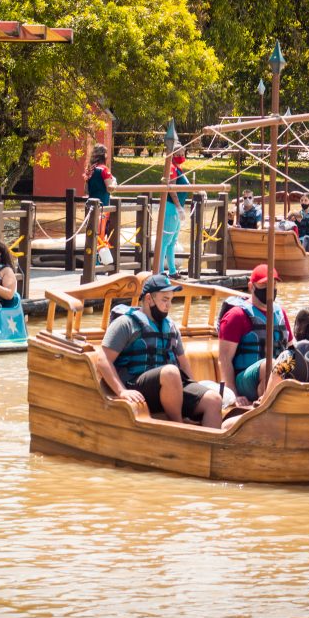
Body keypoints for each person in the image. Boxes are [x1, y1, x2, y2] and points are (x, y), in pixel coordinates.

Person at [98, 274, 224, 428]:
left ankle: (210, 448)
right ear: (149, 299)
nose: (169, 305)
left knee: (213, 400)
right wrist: (122, 391)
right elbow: (103, 360)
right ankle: (179, 427)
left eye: (171, 300)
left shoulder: (170, 326)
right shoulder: (125, 324)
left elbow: (183, 364)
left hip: (170, 387)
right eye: (165, 300)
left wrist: (196, 391)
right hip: (137, 385)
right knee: (170, 372)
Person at [218, 264, 293, 405]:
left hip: (276, 377)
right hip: (245, 380)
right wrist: (233, 394)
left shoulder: (280, 313)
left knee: (291, 361)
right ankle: (265, 406)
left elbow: (291, 347)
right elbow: (224, 359)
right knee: (270, 364)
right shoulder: (236, 315)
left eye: (274, 284)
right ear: (251, 286)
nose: (270, 289)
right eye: (264, 284)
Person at [160, 144, 189, 277]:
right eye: (178, 154)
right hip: (171, 207)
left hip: (178, 208)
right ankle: (160, 270)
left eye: (183, 154)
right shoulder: (171, 168)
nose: (181, 156)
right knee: (165, 240)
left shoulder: (179, 169)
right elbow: (172, 189)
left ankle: (172, 270)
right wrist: (178, 206)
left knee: (173, 241)